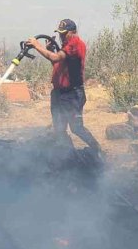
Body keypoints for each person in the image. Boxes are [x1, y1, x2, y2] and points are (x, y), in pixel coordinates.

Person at [26, 19, 101, 156]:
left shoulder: (75, 44)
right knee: (59, 129)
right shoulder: (66, 45)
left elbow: (55, 58)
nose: (61, 36)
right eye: (60, 33)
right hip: (59, 93)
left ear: (73, 32)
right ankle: (68, 157)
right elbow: (58, 65)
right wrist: (50, 50)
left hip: (72, 95)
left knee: (76, 127)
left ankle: (97, 149)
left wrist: (37, 46)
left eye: (64, 33)